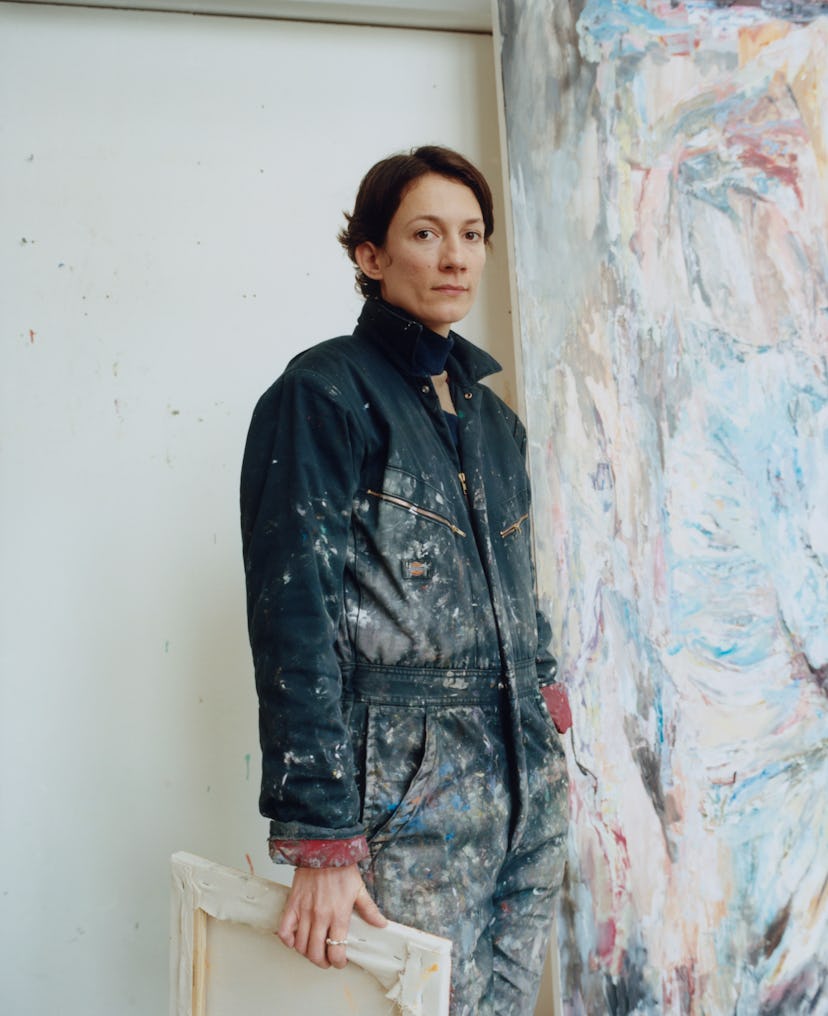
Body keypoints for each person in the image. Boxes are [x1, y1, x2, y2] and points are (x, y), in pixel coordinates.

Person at [240, 145, 571, 1015]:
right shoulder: (322, 394)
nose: (455, 256)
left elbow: (522, 608)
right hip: (407, 800)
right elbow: (293, 619)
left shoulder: (497, 425)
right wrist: (321, 837)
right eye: (426, 233)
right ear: (372, 257)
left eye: (471, 234)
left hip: (527, 796)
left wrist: (554, 725)